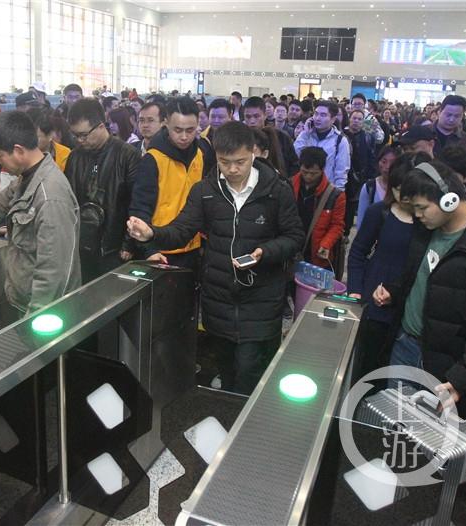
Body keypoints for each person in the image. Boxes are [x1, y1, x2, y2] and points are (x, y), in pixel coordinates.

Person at [127, 121, 304, 395]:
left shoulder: (276, 190)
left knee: (250, 371)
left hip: (261, 298)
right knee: (227, 370)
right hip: (219, 298)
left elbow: (294, 237)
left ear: (253, 153)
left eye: (240, 162)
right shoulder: (205, 191)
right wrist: (152, 234)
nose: (232, 169)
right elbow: (182, 230)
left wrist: (265, 252)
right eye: (224, 162)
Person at [373, 160, 466, 435]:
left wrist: (462, 378)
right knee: (396, 431)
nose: (417, 216)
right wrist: (395, 290)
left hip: (447, 366)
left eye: (421, 207)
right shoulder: (428, 227)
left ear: (449, 199)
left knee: (428, 443)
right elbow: (419, 273)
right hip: (406, 346)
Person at [0, 111, 81, 314]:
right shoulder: (29, 175)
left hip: (43, 311)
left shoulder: (50, 196)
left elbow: (54, 270)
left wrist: (35, 317)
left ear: (18, 150)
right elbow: (9, 194)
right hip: (25, 298)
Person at [347, 154, 420, 376]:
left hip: (407, 305)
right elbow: (358, 252)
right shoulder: (379, 212)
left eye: (409, 193)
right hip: (375, 302)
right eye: (397, 190)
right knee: (368, 366)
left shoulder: (426, 220)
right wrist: (355, 290)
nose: (403, 198)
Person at [129, 97, 214, 267]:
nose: (184, 137)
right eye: (178, 130)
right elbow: (140, 208)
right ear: (166, 124)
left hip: (193, 246)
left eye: (190, 130)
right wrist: (149, 250)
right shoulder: (153, 159)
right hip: (161, 250)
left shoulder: (201, 153)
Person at [65, 98, 140, 281]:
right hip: (82, 244)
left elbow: (137, 204)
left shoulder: (127, 155)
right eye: (75, 135)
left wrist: (129, 244)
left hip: (114, 247)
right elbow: (69, 199)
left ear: (100, 126)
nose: (80, 140)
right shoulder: (75, 157)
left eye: (84, 135)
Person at [291, 147, 346, 269]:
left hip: (316, 253)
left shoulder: (335, 195)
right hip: (291, 249)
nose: (308, 176)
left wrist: (326, 244)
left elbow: (337, 225)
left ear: (322, 169)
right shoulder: (288, 186)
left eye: (314, 173)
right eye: (305, 172)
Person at [293, 100, 351, 191]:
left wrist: (338, 193)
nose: (317, 118)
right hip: (303, 187)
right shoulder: (307, 135)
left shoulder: (340, 140)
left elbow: (341, 172)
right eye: (316, 114)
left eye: (323, 115)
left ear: (333, 119)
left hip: (326, 189)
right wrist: (305, 133)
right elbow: (295, 155)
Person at [357, 145, 399, 229]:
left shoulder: (401, 188)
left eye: (392, 163)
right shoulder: (369, 188)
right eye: (384, 161)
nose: (387, 167)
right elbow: (361, 221)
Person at [25, 106, 71, 172]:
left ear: (50, 135)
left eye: (37, 137)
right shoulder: (25, 154)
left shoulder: (65, 154)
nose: (32, 141)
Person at [433, 95, 466, 159]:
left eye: (457, 116)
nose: (451, 119)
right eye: (448, 115)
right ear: (440, 112)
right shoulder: (424, 133)